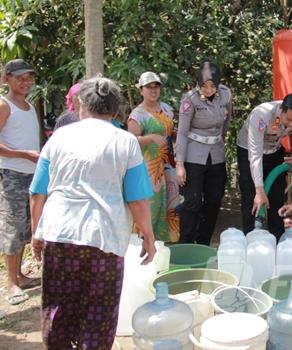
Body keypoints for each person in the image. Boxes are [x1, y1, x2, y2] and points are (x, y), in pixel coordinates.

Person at [29, 77, 156, 349]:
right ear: (115, 109)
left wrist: (36, 233)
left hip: (59, 234)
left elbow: (38, 192)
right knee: (99, 313)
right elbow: (137, 199)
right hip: (104, 240)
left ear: (82, 105)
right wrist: (148, 236)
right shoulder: (125, 142)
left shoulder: (59, 137)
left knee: (58, 311)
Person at [175, 61, 233, 245]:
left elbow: (227, 121)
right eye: (204, 86)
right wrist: (180, 164)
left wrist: (220, 139)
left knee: (214, 200)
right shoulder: (189, 99)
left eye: (212, 86)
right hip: (193, 154)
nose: (208, 90)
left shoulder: (225, 94)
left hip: (216, 154)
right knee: (191, 202)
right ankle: (186, 245)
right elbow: (182, 132)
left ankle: (203, 244)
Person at [237, 92, 292, 238]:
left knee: (276, 195)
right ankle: (250, 238)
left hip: (274, 150)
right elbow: (255, 155)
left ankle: (278, 239)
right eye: (289, 119)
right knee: (252, 198)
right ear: (281, 110)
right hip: (250, 151)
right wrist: (259, 189)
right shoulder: (262, 116)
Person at [0, 59, 41, 306]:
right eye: (20, 78)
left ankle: (20, 275)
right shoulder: (4, 105)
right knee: (13, 228)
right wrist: (23, 154)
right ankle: (11, 283)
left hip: (31, 173)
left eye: (29, 78)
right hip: (12, 173)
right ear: (7, 79)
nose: (25, 82)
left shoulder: (28, 105)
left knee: (26, 225)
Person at [128, 71, 178, 243]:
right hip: (148, 168)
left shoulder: (167, 109)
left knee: (169, 204)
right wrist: (149, 138)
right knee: (151, 205)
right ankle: (144, 244)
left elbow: (172, 133)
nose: (153, 90)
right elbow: (130, 141)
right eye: (149, 87)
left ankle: (164, 247)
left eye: (156, 86)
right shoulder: (137, 115)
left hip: (168, 165)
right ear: (141, 90)